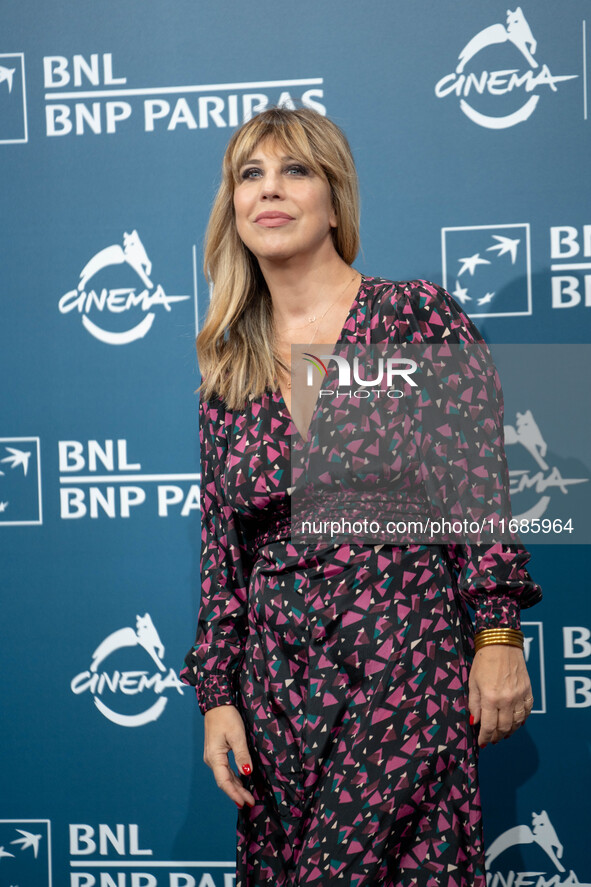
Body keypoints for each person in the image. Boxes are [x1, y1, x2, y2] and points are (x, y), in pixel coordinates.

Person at [181, 107, 542, 886]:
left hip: (401, 666)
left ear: (334, 199)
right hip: (276, 693)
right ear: (232, 207)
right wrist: (218, 697)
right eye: (251, 175)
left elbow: (476, 489)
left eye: (294, 170)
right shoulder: (228, 371)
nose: (269, 191)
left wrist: (497, 636)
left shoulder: (412, 316)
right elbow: (221, 554)